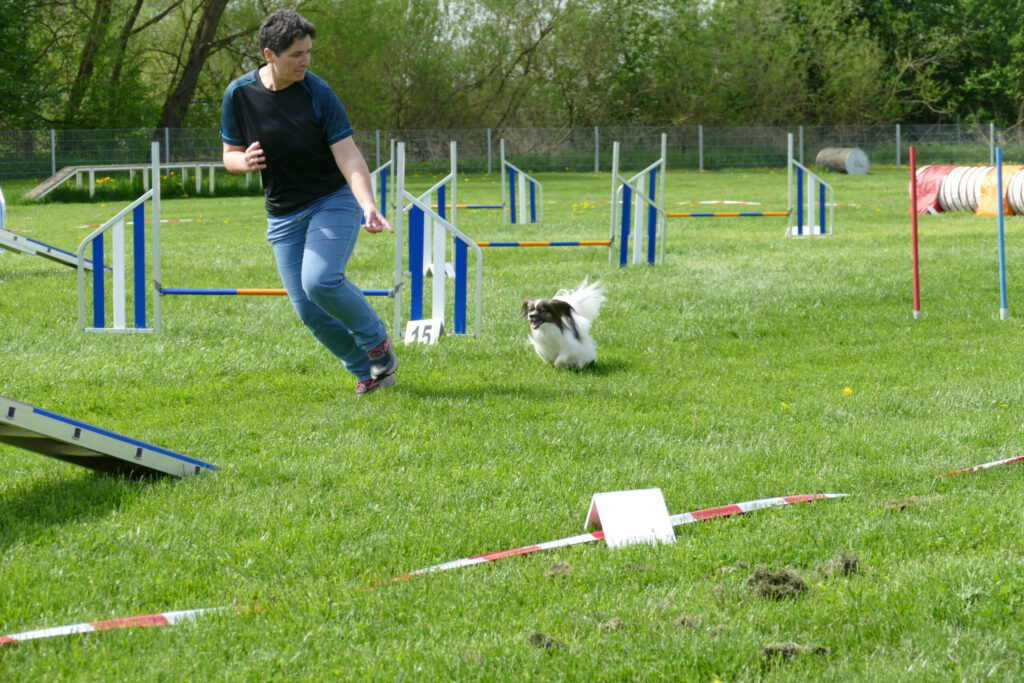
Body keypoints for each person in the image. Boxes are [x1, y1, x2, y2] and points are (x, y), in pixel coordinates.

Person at [220, 9, 398, 395]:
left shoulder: (317, 92)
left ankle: (376, 341)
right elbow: (229, 154)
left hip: (331, 200)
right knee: (308, 310)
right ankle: (368, 373)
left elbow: (348, 155)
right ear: (269, 55)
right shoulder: (239, 94)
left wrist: (368, 204)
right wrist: (243, 162)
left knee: (319, 281)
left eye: (309, 52)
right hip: (283, 213)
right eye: (296, 54)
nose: (306, 61)